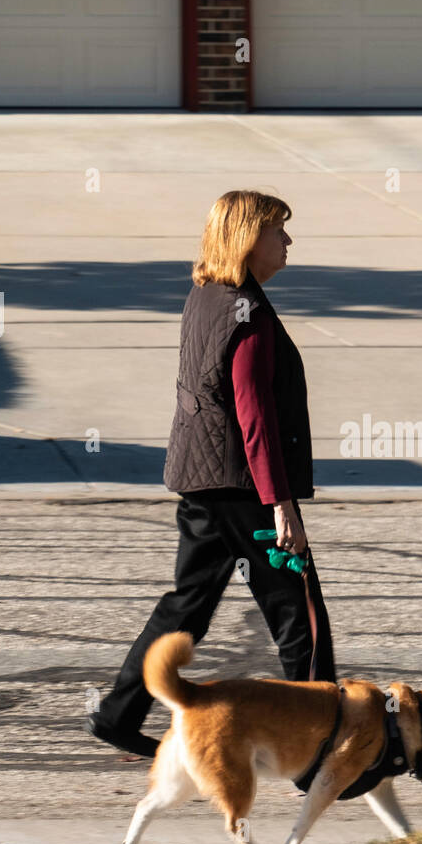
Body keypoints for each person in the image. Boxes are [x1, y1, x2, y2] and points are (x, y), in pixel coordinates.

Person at [87, 189, 337, 758]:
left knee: (186, 606)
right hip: (244, 486)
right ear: (250, 240)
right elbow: (254, 416)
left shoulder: (206, 293)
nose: (289, 243)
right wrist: (281, 505)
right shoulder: (245, 314)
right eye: (280, 232)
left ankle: (117, 713)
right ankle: (320, 739)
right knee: (299, 612)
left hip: (201, 478)